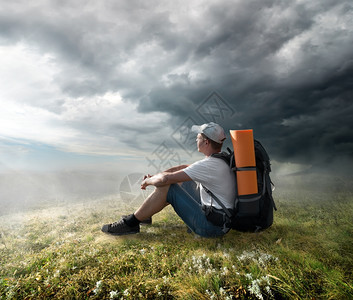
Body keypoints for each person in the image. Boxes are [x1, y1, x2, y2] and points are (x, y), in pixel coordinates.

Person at [101, 122, 236, 238]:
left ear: (206, 142)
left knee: (168, 186)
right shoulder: (219, 160)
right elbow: (183, 168)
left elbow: (165, 180)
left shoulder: (208, 165)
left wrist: (147, 181)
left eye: (198, 137)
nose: (196, 140)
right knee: (179, 180)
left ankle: (130, 223)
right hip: (219, 220)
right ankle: (145, 215)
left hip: (212, 228)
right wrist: (156, 176)